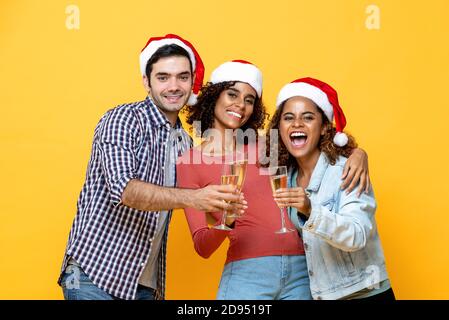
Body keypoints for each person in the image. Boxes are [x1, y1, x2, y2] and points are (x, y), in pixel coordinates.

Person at [58, 34, 245, 300]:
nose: (174, 86)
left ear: (192, 83)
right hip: (95, 274)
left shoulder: (183, 143)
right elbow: (124, 190)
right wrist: (195, 197)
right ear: (146, 82)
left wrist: (227, 210)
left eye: (182, 77)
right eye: (163, 77)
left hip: (145, 284)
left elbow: (201, 212)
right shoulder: (123, 120)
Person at [176, 61, 370, 300]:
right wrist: (227, 221)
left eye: (249, 100)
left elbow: (321, 147)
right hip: (247, 274)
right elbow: (202, 247)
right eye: (232, 94)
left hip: (304, 269)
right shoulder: (189, 162)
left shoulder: (269, 144)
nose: (240, 105)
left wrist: (358, 154)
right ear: (214, 96)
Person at [270, 77, 394, 300]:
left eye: (308, 117)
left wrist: (311, 209)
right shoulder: (285, 175)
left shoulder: (346, 170)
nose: (297, 123)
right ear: (280, 128)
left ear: (325, 126)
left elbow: (357, 236)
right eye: (288, 117)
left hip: (364, 294)